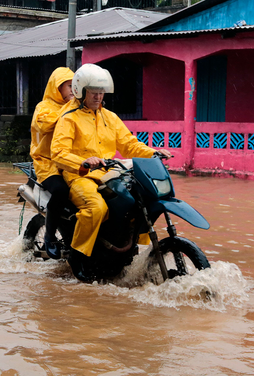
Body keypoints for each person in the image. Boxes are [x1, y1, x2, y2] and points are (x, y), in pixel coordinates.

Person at [50, 63, 172, 263]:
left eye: (101, 92)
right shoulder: (68, 118)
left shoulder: (110, 117)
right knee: (96, 208)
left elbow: (129, 144)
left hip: (111, 173)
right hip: (81, 175)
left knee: (140, 199)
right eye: (93, 92)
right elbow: (58, 153)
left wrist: (153, 152)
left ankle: (127, 248)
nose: (98, 97)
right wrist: (84, 161)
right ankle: (78, 256)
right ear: (81, 91)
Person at [30, 67, 75, 259]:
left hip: (71, 161)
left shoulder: (78, 108)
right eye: (69, 86)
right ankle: (49, 236)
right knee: (61, 191)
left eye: (76, 86)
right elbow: (44, 125)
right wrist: (70, 107)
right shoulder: (44, 107)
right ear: (57, 88)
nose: (73, 90)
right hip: (47, 163)